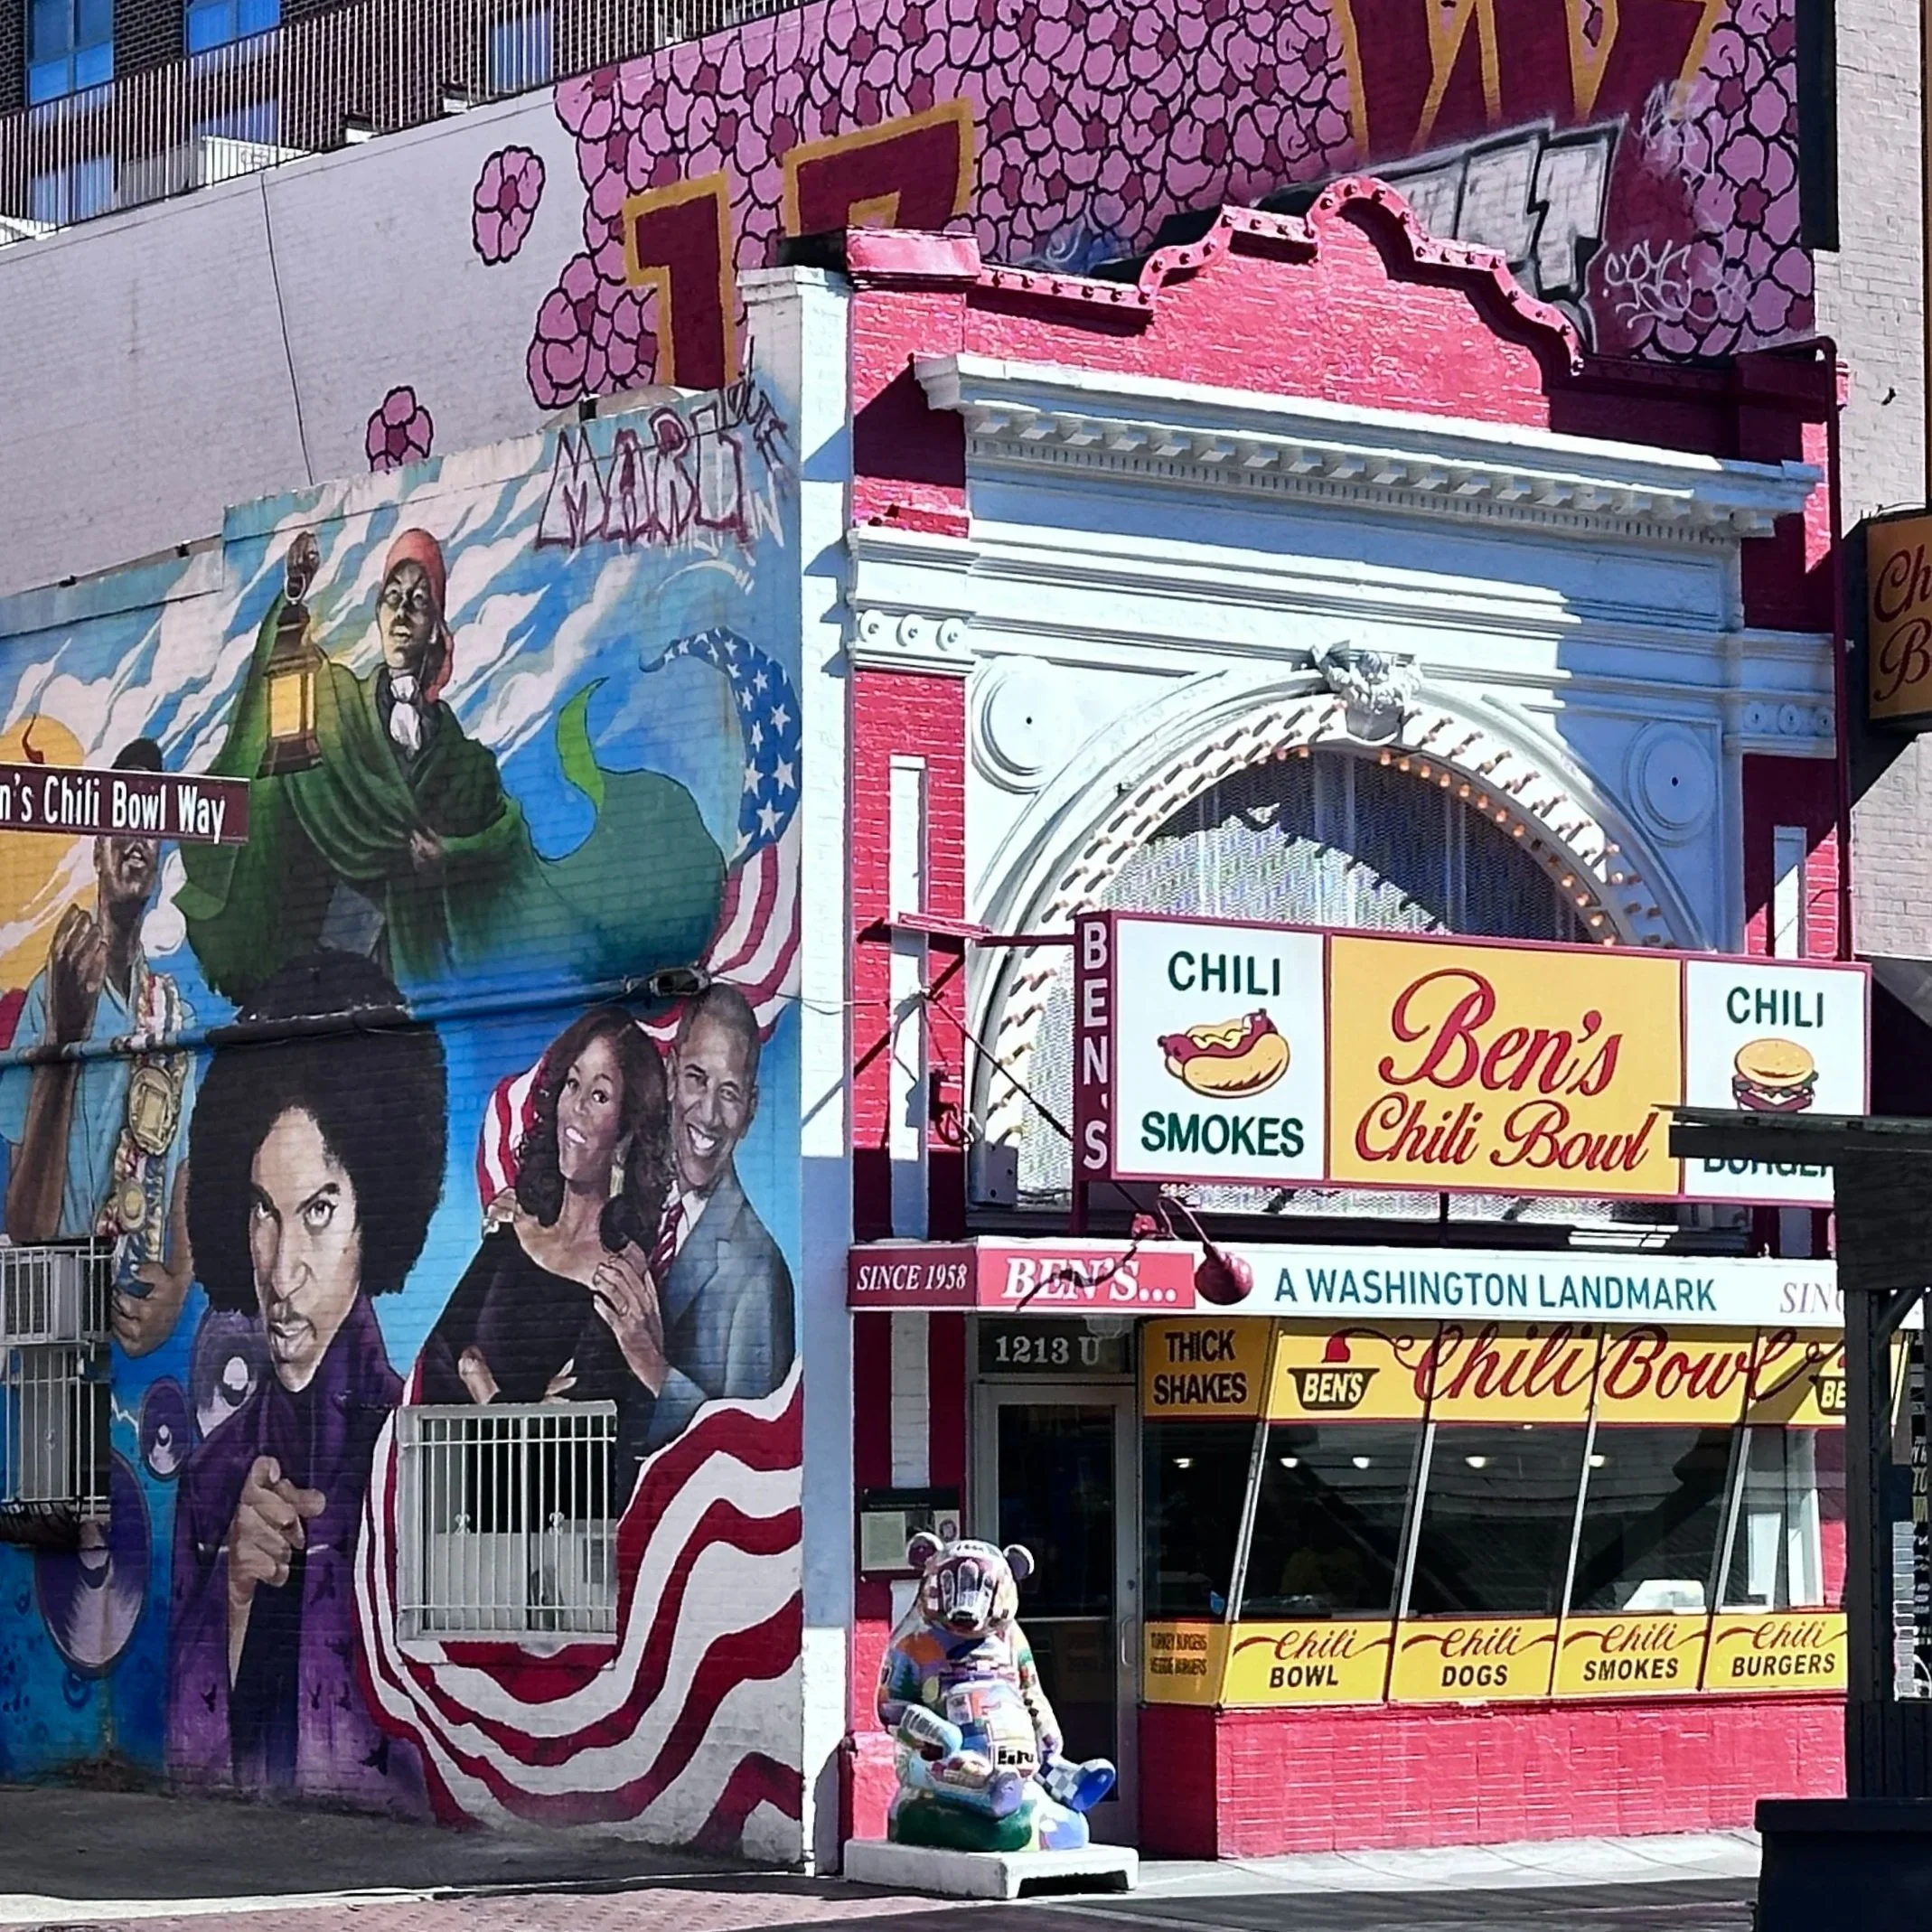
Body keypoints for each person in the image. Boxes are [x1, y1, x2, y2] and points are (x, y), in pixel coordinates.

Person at [177, 529, 726, 1005]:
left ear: (435, 622)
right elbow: (283, 676)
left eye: (417, 600)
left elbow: (504, 841)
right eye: (391, 597)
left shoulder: (465, 763)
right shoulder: (337, 707)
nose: (401, 612)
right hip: (326, 961)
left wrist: (452, 856)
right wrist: (293, 598)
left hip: (412, 968)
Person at [167, 951, 443, 1811]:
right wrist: (236, 1599)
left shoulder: (415, 1457)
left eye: (318, 1211)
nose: (281, 1268)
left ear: (375, 1217)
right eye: (262, 1211)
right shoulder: (211, 1483)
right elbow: (184, 1761)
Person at [0, 736, 196, 1356]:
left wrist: (183, 1278)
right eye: (121, 821)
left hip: (132, 1321)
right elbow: (26, 1224)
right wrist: (66, 1036)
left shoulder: (170, 1013)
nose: (137, 840)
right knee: (59, 1447)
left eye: (151, 825)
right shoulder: (49, 996)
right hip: (54, 1318)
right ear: (97, 848)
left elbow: (186, 1162)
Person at [419, 1008, 672, 1419]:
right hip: (459, 1479)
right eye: (573, 1084)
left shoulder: (618, 1281)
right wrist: (519, 1403)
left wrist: (483, 1386)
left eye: (600, 1095)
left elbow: (568, 1440)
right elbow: (439, 1359)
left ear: (625, 1134)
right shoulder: (510, 1232)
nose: (576, 1108)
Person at [624, 981, 794, 1453]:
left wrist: (654, 1367)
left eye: (730, 1093)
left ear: (751, 1111)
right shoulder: (628, 1206)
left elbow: (750, 1451)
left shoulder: (759, 1272)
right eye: (697, 1079)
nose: (710, 1114)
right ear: (671, 1074)